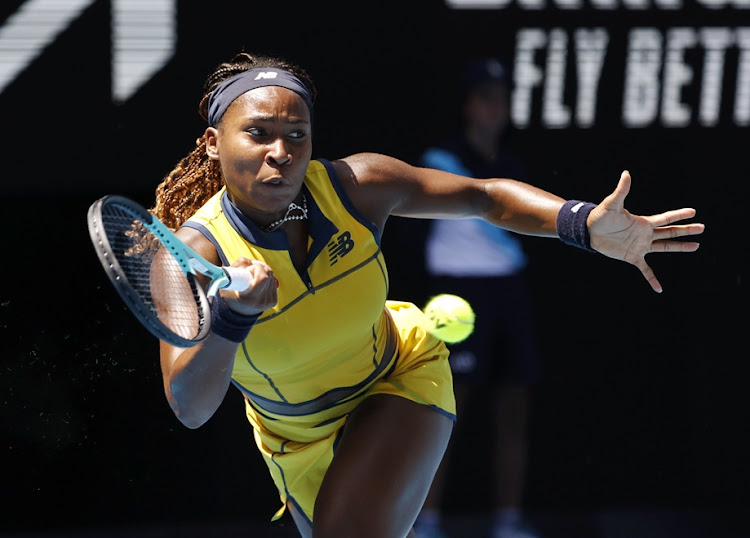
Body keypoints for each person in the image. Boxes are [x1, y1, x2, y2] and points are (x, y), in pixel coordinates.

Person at [149, 51, 704, 538]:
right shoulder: (188, 259)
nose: (281, 152)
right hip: (292, 437)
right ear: (213, 142)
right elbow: (191, 407)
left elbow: (484, 197)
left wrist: (580, 223)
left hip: (397, 376)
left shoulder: (356, 186)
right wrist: (231, 316)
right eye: (259, 133)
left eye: (297, 134)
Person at [413, 58, 541, 538]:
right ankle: (426, 521)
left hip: (509, 293)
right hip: (455, 293)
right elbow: (486, 210)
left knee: (514, 408)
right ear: (467, 106)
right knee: (445, 412)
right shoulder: (439, 160)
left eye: (503, 97)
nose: (496, 106)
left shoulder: (515, 164)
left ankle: (509, 521)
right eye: (486, 96)